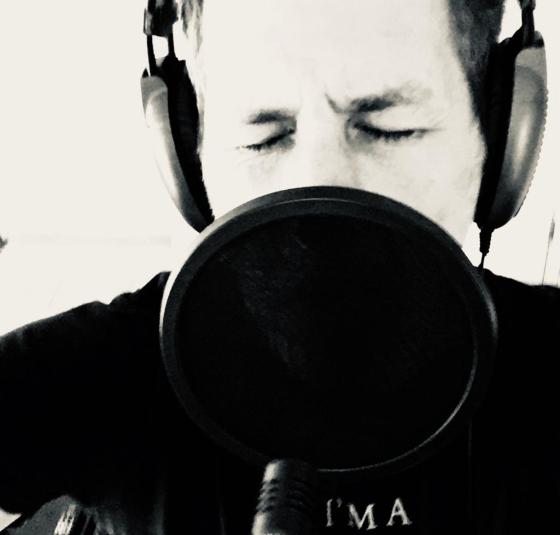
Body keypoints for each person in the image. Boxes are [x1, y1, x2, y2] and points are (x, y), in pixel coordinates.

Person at [1, 1, 558, 534]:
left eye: (389, 127)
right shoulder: (98, 372)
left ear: (502, 139)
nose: (314, 189)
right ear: (188, 159)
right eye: (262, 138)